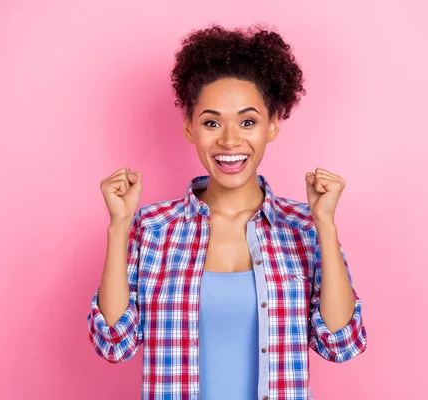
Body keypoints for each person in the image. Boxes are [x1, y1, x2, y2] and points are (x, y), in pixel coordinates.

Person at [87, 24, 367, 400]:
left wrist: (326, 227)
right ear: (190, 128)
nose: (230, 139)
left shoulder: (304, 227)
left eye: (248, 121)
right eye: (212, 122)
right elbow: (114, 344)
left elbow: (340, 343)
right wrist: (119, 226)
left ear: (273, 126)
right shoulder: (153, 229)